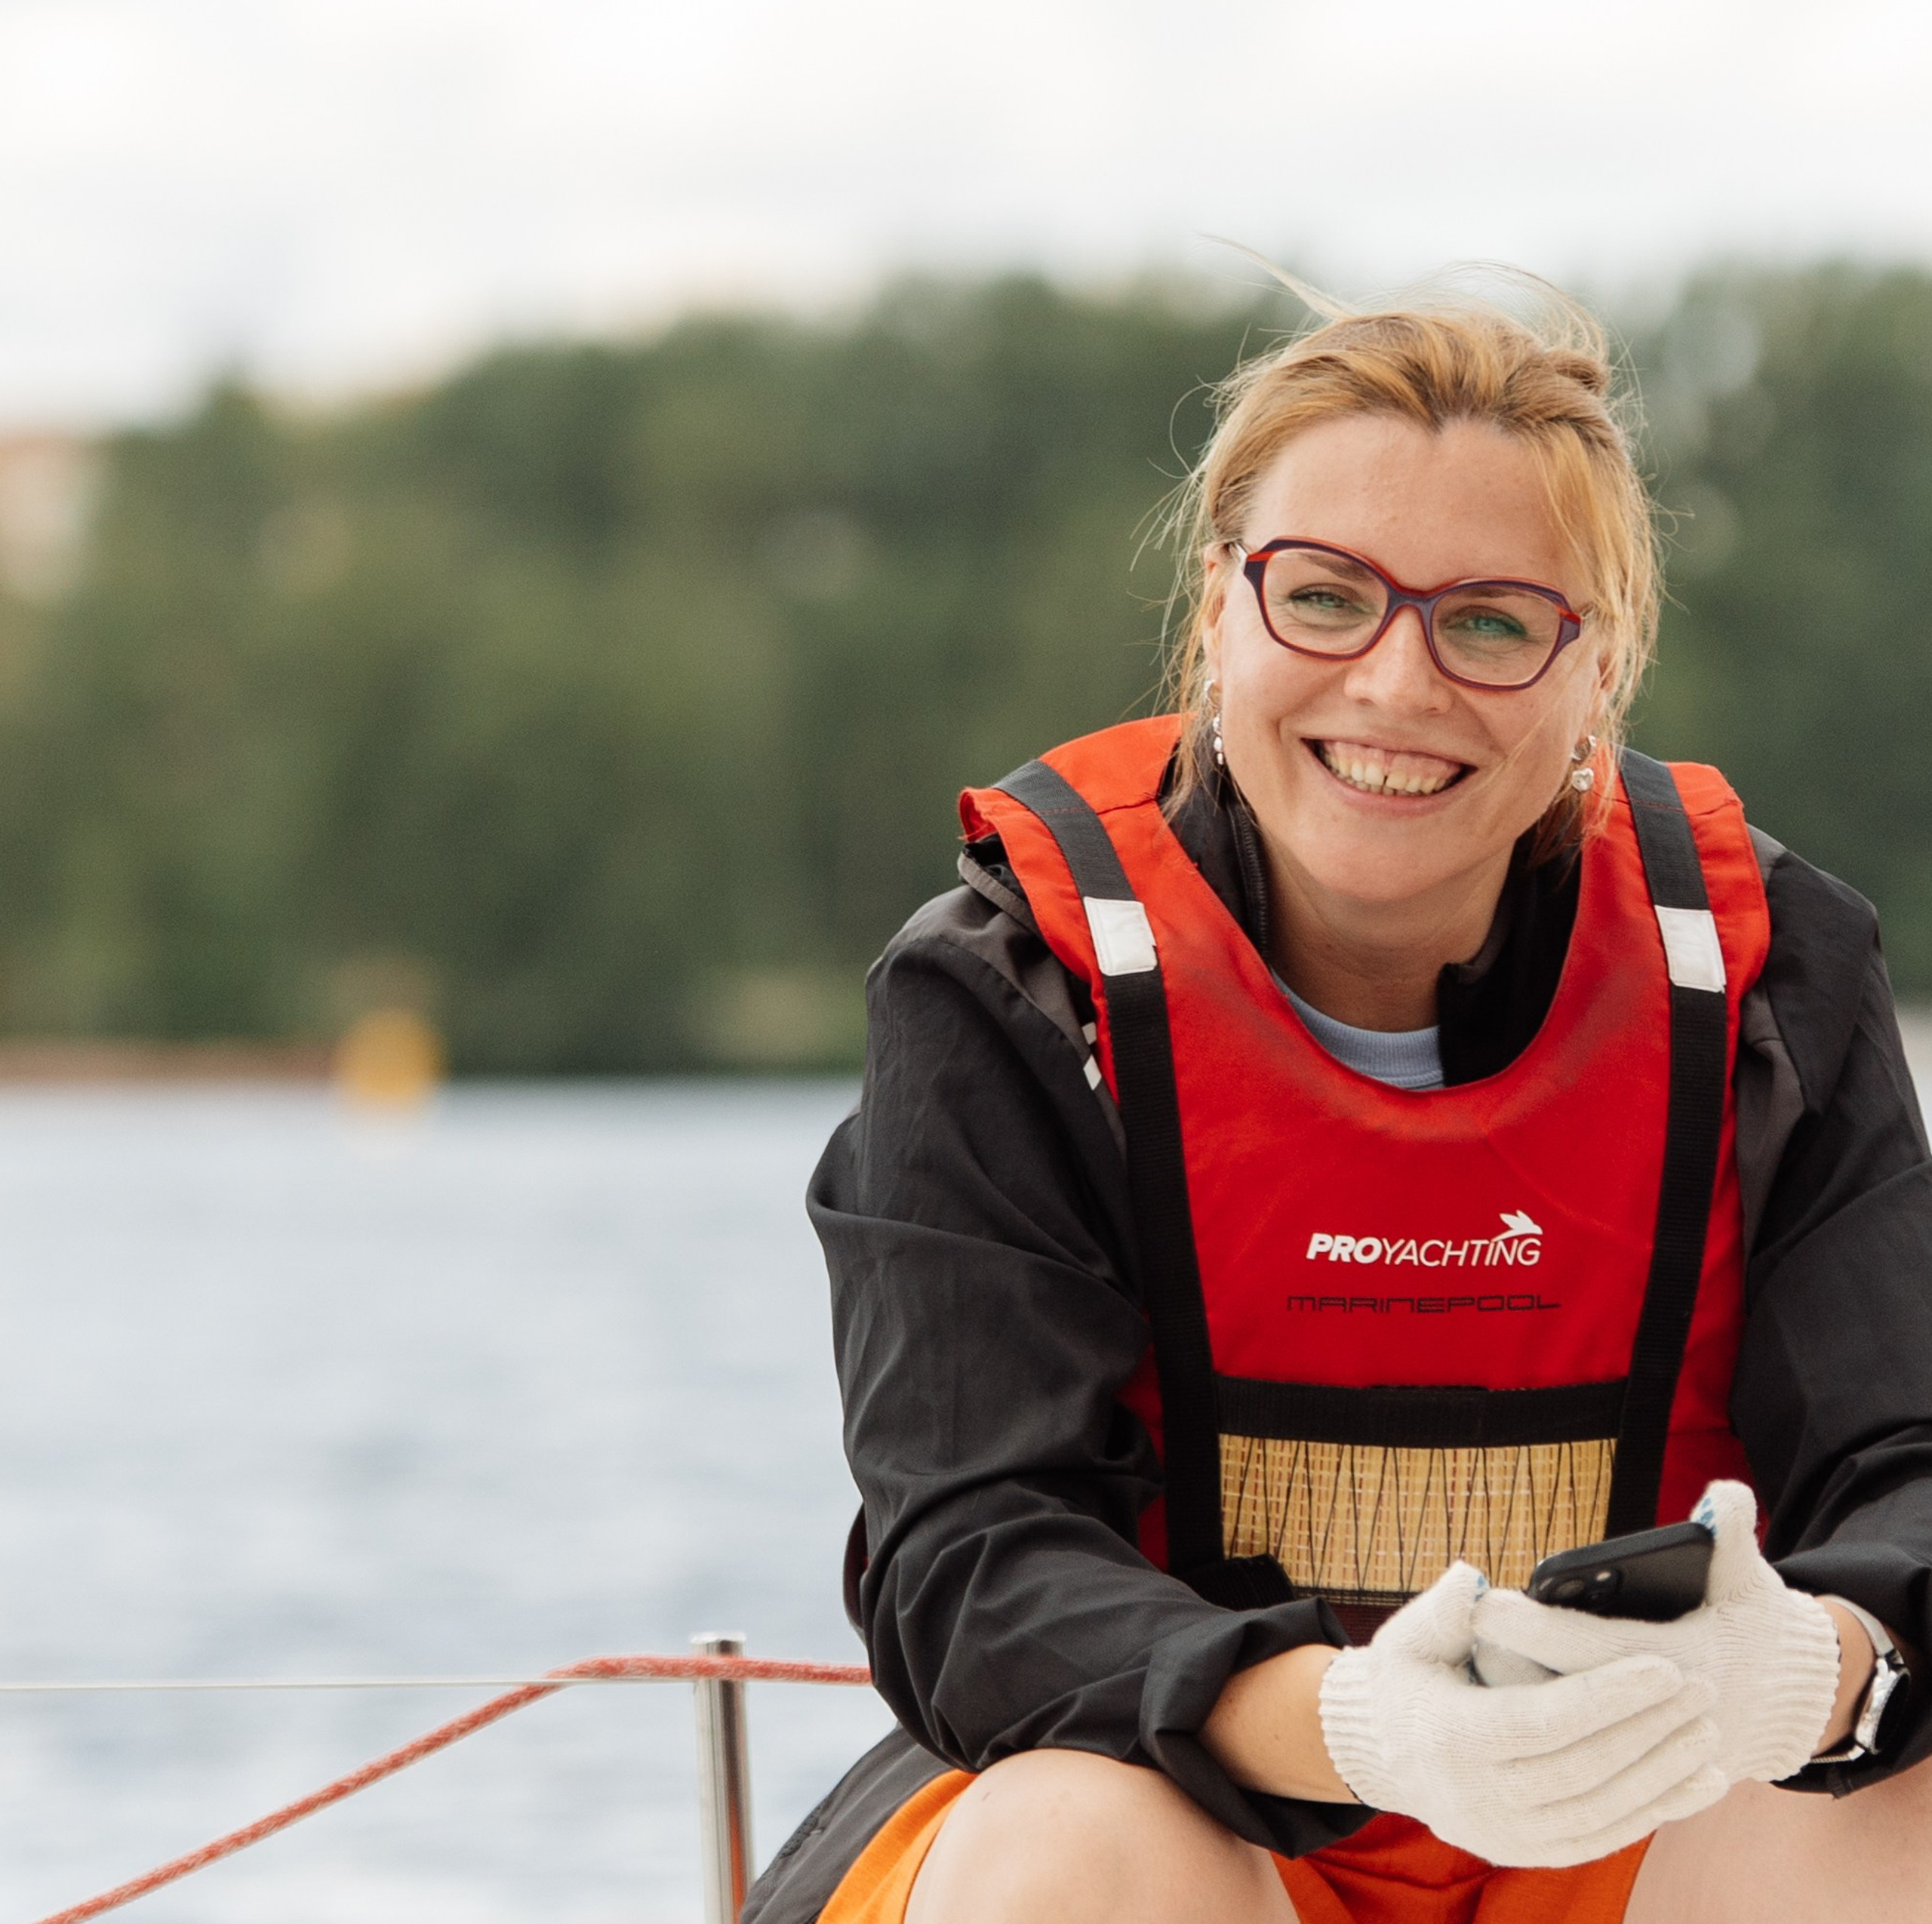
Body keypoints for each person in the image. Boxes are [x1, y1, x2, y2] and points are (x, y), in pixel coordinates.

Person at [746, 279, 1932, 1924]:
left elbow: (1909, 1465)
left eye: (1492, 620)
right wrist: (1365, 1722)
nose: (1394, 683)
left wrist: (1800, 1666)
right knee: (1072, 1859)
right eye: (1324, 596)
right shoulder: (1008, 990)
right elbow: (974, 1560)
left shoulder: (1767, 973)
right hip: (1189, 1821)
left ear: (1595, 670)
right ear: (1216, 614)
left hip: (1640, 1830)